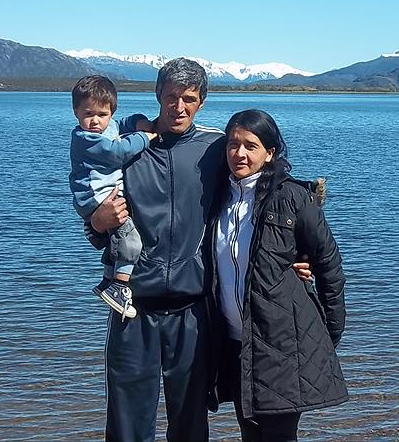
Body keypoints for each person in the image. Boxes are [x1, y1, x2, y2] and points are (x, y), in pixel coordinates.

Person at [89, 60, 312, 442]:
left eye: (189, 99)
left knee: (190, 424)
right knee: (127, 426)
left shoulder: (214, 148)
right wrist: (96, 223)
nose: (179, 107)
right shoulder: (124, 146)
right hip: (131, 307)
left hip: (193, 310)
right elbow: (91, 196)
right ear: (158, 95)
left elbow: (267, 193)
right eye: (171, 97)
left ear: (202, 102)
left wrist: (292, 257)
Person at [208, 109, 348, 441]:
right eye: (233, 144)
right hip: (235, 344)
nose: (239, 154)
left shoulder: (291, 198)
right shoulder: (217, 196)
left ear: (269, 153)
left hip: (282, 343)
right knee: (250, 433)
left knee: (279, 436)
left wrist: (329, 333)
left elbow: (329, 265)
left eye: (250, 146)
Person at [69, 75, 158, 320]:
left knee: (114, 240)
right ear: (76, 112)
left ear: (111, 113)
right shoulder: (85, 139)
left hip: (102, 195)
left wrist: (138, 121)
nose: (95, 121)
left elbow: (121, 124)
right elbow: (117, 152)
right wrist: (145, 137)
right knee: (130, 240)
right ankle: (119, 287)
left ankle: (107, 280)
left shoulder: (108, 127)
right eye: (88, 114)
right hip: (95, 198)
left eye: (102, 114)